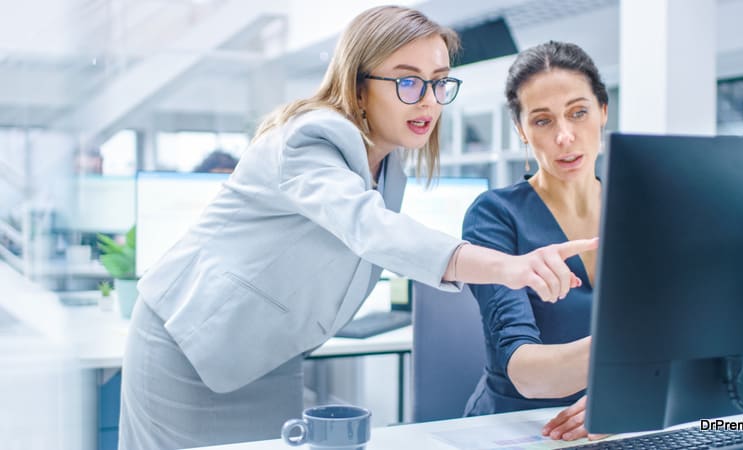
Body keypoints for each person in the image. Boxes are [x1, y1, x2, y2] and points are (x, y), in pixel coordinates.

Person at [118, 8, 596, 449]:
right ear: (359, 84)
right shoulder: (312, 139)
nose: (428, 101)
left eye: (438, 83)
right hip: (187, 346)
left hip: (268, 354)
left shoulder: (388, 169)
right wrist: (506, 267)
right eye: (408, 83)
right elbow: (371, 229)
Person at [462, 41, 608, 442]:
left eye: (579, 113)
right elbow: (524, 371)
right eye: (543, 121)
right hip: (522, 429)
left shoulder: (642, 209)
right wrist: (635, 357)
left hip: (614, 428)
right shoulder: (494, 215)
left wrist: (624, 401)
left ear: (603, 112)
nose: (565, 136)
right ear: (522, 131)